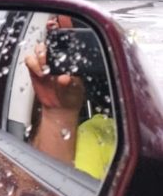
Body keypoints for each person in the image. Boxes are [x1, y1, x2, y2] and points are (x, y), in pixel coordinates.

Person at [24, 16, 116, 179]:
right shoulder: (96, 136)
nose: (52, 25)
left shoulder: (120, 136)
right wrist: (57, 113)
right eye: (50, 19)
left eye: (57, 18)